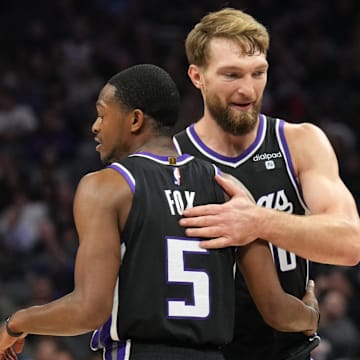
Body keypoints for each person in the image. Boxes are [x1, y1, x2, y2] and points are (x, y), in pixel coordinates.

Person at [0, 64, 319, 360]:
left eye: (102, 114)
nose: (95, 126)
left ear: (135, 120)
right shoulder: (228, 187)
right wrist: (310, 315)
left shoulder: (107, 187)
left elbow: (89, 310)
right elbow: (277, 310)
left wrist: (16, 323)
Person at [174, 7, 360, 360]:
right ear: (197, 77)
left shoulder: (300, 142)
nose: (247, 89)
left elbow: (351, 242)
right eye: (231, 75)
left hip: (287, 349)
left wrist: (257, 221)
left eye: (258, 73)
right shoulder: (172, 158)